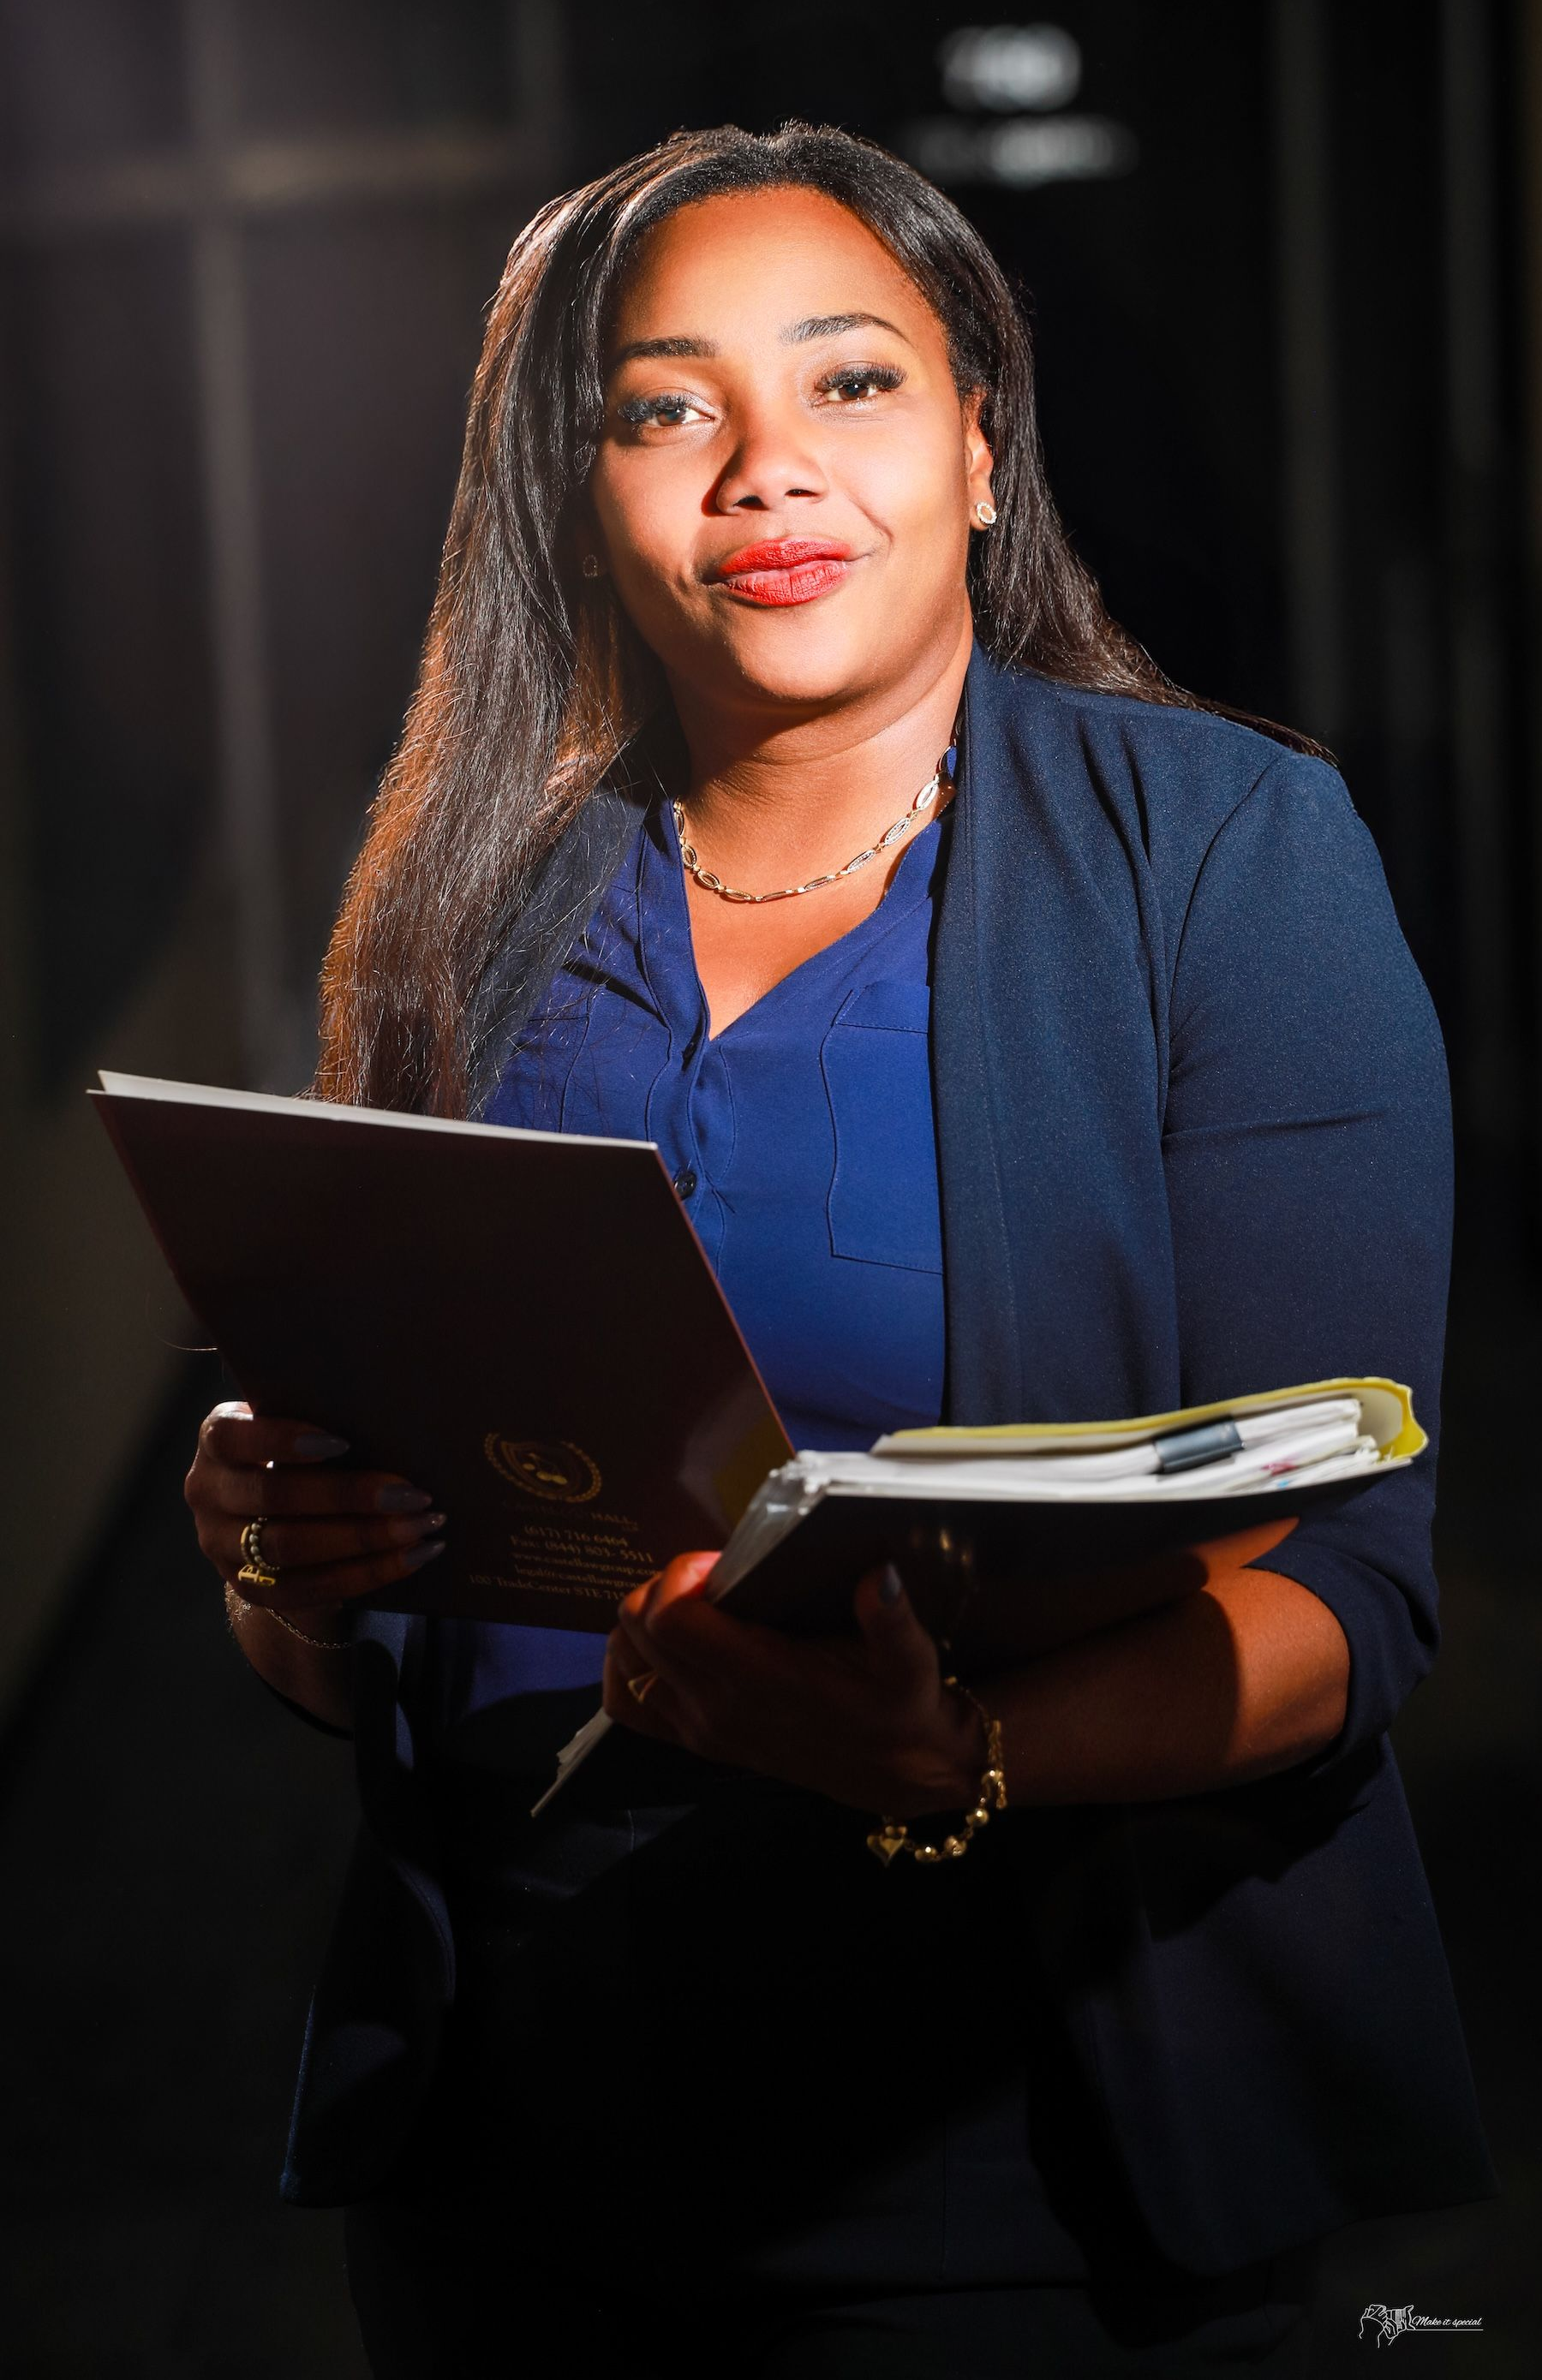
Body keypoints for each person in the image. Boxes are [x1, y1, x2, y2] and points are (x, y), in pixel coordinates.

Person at [183, 123, 1495, 2377]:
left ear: (985, 446)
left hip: (1014, 2177)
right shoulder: (465, 918)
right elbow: (374, 1650)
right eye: (669, 406)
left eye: (852, 385)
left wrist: (961, 1755)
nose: (761, 470)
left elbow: (1344, 1601)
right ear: (581, 493)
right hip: (511, 2174)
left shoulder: (1223, 860)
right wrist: (285, 1570)